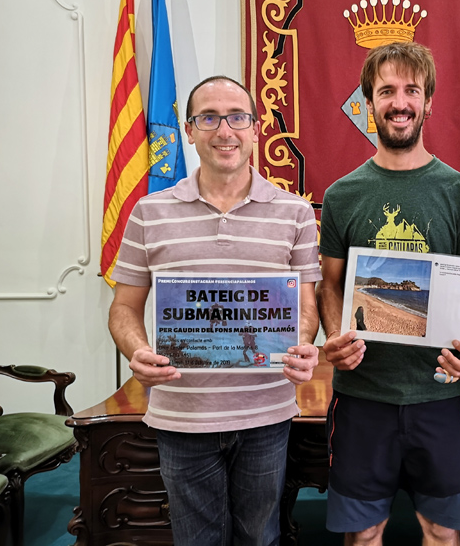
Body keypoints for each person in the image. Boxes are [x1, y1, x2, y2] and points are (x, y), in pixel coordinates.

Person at [108, 75, 322, 546]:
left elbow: (306, 307)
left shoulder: (295, 212)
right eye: (209, 118)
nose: (225, 130)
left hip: (266, 412)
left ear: (256, 127)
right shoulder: (149, 211)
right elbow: (123, 308)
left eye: (237, 117)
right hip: (182, 415)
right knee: (195, 540)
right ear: (188, 130)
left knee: (260, 536)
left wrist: (303, 342)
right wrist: (138, 349)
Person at [317, 41, 460, 546]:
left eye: (411, 90)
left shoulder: (459, 193)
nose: (399, 102)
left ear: (428, 100)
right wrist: (335, 337)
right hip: (363, 395)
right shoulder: (342, 194)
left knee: (441, 531)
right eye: (386, 90)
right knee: (363, 534)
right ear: (369, 102)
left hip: (439, 393)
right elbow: (329, 283)